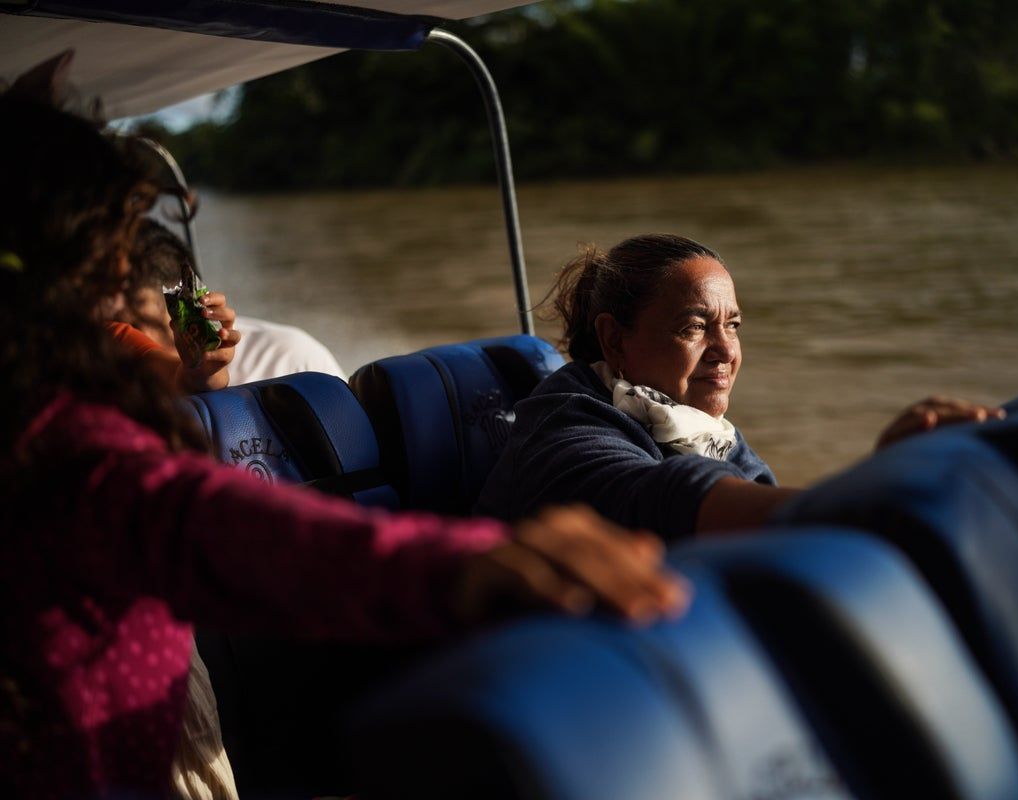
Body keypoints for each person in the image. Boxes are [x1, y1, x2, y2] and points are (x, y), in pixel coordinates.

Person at [0, 80, 689, 799]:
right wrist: (469, 567)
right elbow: (233, 530)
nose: (120, 274)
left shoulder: (66, 387)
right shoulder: (62, 445)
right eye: (105, 256)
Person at [476, 233, 1003, 539]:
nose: (726, 351)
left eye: (732, 325)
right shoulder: (565, 426)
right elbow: (661, 498)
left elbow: (767, 508)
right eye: (694, 327)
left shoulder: (703, 432)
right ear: (614, 339)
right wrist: (874, 489)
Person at [119, 219, 347, 385]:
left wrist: (202, 370)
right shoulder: (107, 373)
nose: (138, 339)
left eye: (138, 322)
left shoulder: (290, 358)